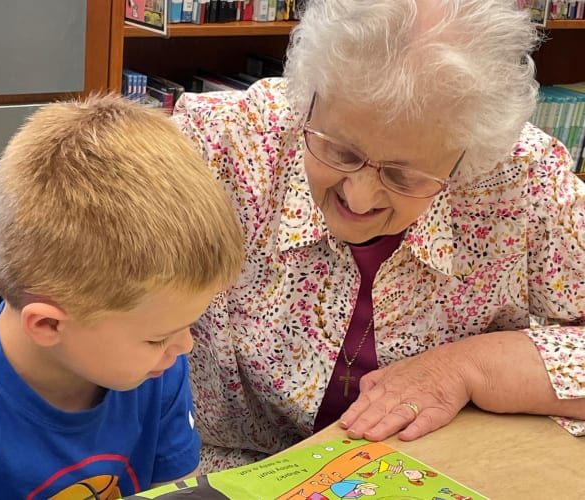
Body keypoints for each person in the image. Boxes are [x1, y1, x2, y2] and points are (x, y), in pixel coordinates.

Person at [171, 0, 585, 473]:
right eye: (340, 151)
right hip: (226, 472)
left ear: (468, 157)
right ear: (308, 95)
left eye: (404, 175)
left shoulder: (523, 181)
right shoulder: (221, 142)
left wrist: (468, 367)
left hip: (431, 472)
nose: (360, 198)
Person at [0, 94, 243, 498]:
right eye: (158, 337)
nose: (185, 345)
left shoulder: (157, 369)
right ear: (49, 324)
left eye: (187, 326)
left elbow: (175, 490)